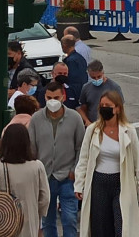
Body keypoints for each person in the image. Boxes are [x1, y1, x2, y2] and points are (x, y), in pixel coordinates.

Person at [74, 91, 139, 237]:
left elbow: (138, 162)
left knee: (122, 225)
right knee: (101, 226)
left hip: (121, 183)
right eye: (102, 106)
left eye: (108, 106)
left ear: (117, 108)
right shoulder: (92, 130)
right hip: (99, 183)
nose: (104, 108)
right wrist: (79, 184)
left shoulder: (129, 132)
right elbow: (83, 159)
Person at [28, 80, 85, 237]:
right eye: (49, 97)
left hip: (67, 176)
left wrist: (74, 171)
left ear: (63, 97)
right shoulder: (36, 119)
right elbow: (31, 148)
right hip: (45, 177)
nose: (52, 101)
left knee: (70, 219)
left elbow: (81, 147)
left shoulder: (74, 118)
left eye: (56, 97)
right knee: (47, 221)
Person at [0, 124, 50, 237]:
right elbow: (45, 198)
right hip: (28, 220)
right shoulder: (37, 166)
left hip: (2, 223)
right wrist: (37, 214)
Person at [78, 60, 125, 125]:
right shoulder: (86, 87)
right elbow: (82, 108)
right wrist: (87, 121)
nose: (96, 79)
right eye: (93, 77)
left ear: (103, 72)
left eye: (99, 76)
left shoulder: (114, 87)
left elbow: (120, 108)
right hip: (92, 125)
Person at [62, 35, 88, 109]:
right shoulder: (81, 58)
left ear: (64, 45)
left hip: (75, 94)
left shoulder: (70, 61)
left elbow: (72, 80)